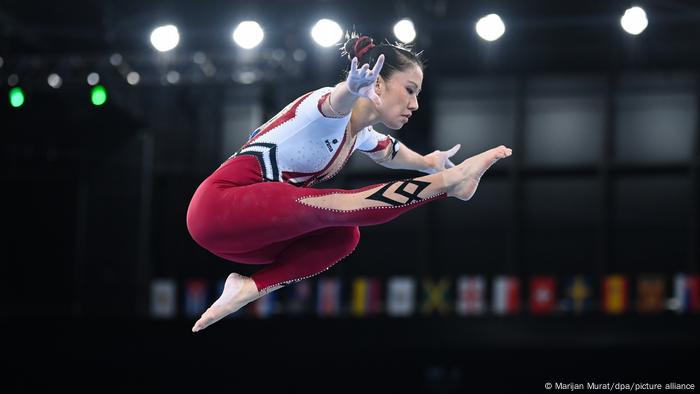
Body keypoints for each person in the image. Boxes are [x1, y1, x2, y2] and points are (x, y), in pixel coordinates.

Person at [187, 33, 512, 332]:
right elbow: (334, 104)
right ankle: (450, 183)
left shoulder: (358, 135)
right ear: (379, 85)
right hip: (219, 205)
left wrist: (428, 162)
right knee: (340, 206)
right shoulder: (324, 106)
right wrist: (351, 87)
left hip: (249, 239)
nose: (415, 104)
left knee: (343, 236)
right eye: (410, 90)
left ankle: (250, 288)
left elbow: (390, 152)